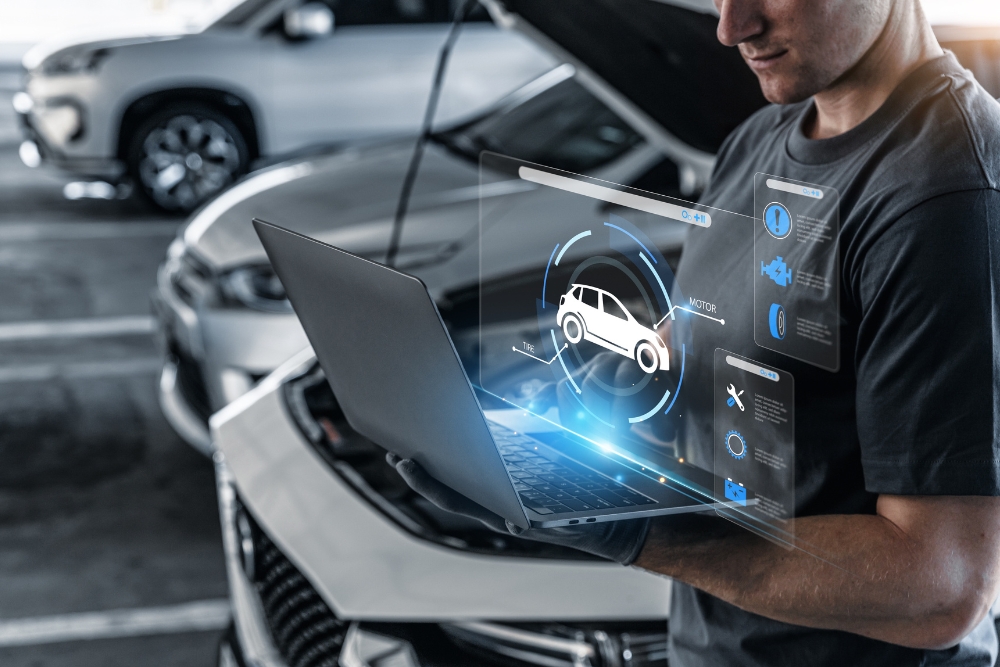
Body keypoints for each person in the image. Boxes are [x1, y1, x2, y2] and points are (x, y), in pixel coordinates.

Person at [388, 0, 1000, 664]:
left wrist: (641, 533)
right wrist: (628, 388)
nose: (731, 27)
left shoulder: (947, 197)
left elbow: (941, 586)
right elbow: (725, 341)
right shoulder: (759, 139)